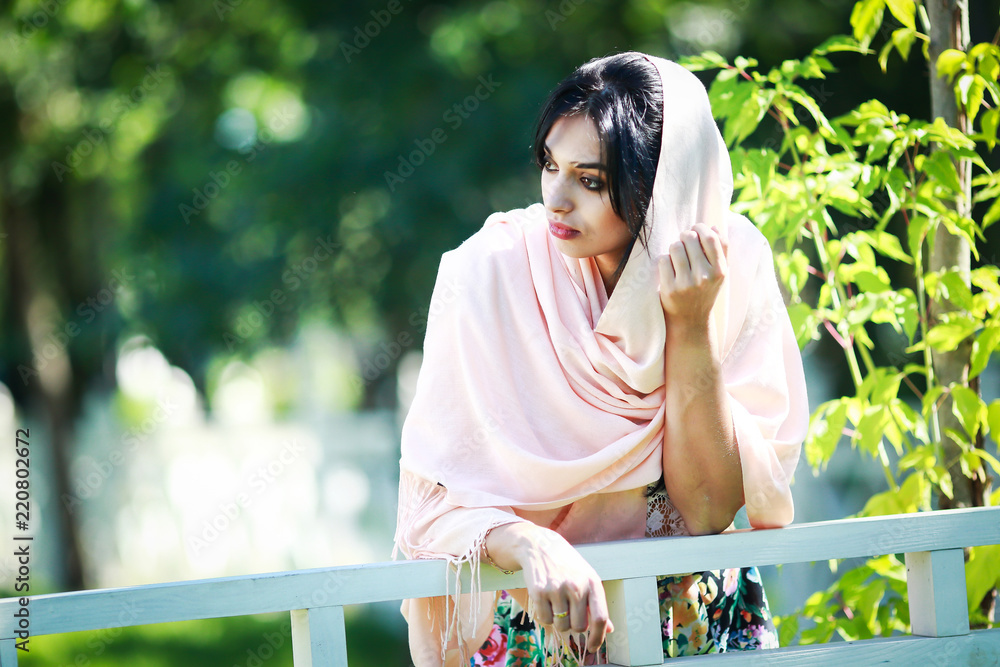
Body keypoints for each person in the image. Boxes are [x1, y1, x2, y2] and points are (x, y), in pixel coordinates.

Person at [393, 51, 809, 666]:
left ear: (660, 184)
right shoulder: (490, 273)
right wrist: (531, 543)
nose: (556, 200)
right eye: (549, 165)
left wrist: (689, 325)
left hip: (693, 621)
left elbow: (707, 507)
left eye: (589, 181)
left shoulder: (729, 265)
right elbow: (436, 494)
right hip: (543, 617)